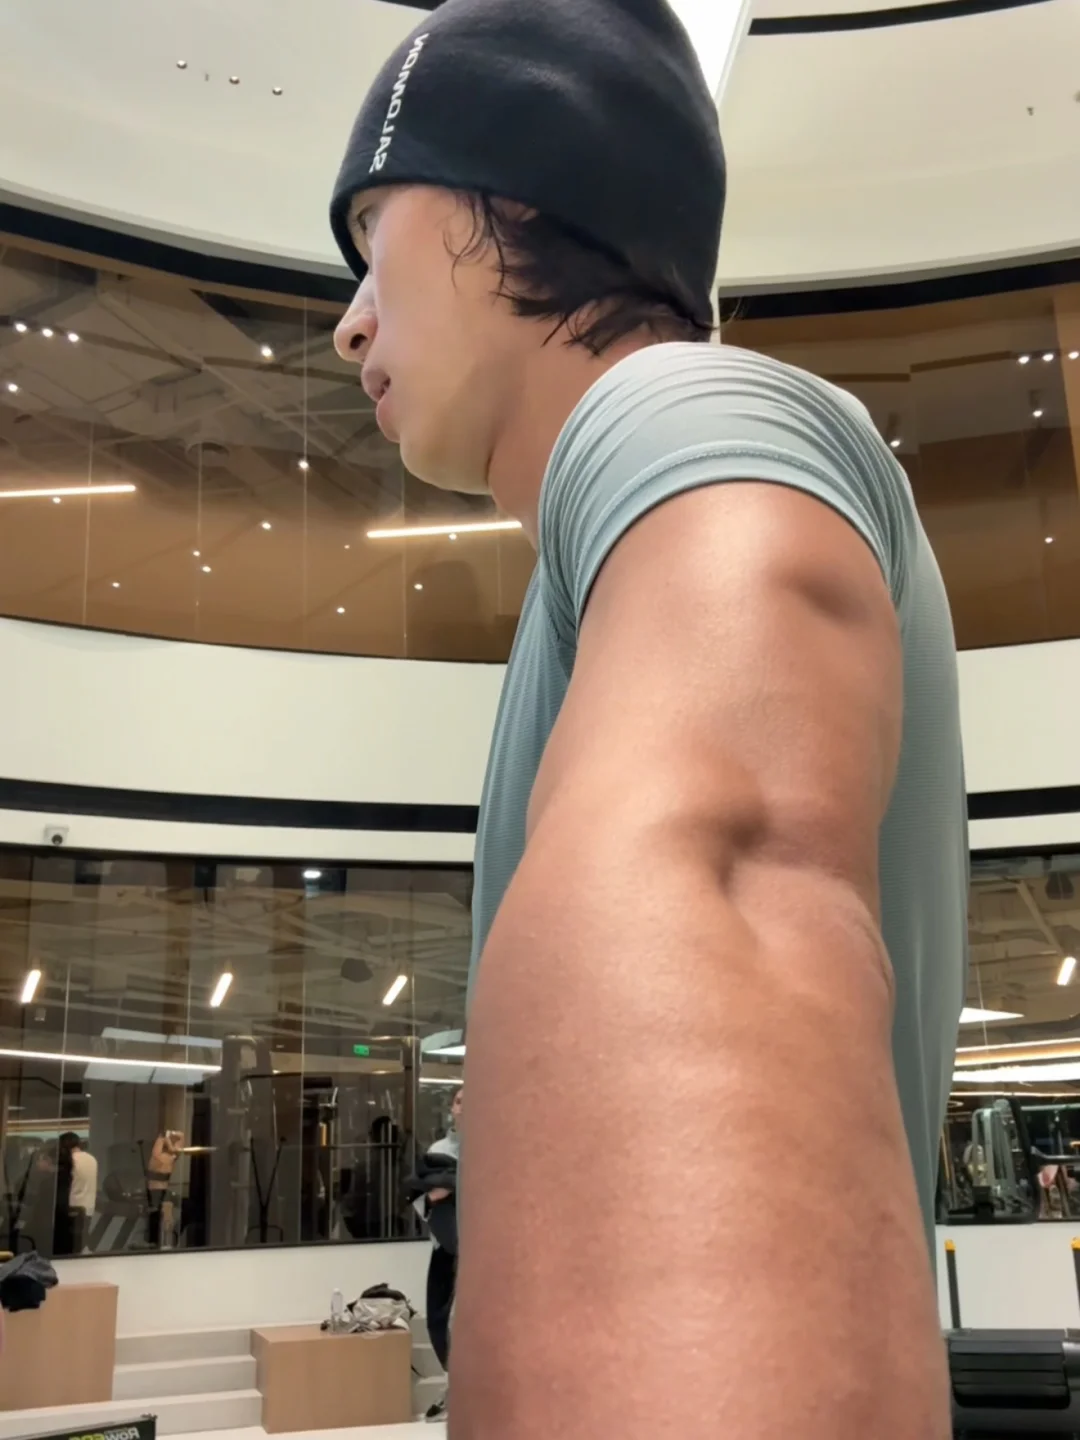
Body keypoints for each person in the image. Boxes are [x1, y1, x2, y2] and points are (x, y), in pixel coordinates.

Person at [329, 0, 968, 1433]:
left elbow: (722, 881)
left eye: (373, 234)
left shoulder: (681, 416)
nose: (349, 318)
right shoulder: (602, 550)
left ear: (516, 198)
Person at [408, 1086, 463, 1423]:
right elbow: (419, 1200)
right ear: (452, 1109)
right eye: (459, 1101)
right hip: (445, 1248)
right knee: (438, 1320)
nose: (464, 1107)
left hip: (484, 1253)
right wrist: (436, 1196)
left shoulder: (495, 1150)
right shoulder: (438, 1151)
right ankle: (454, 1386)